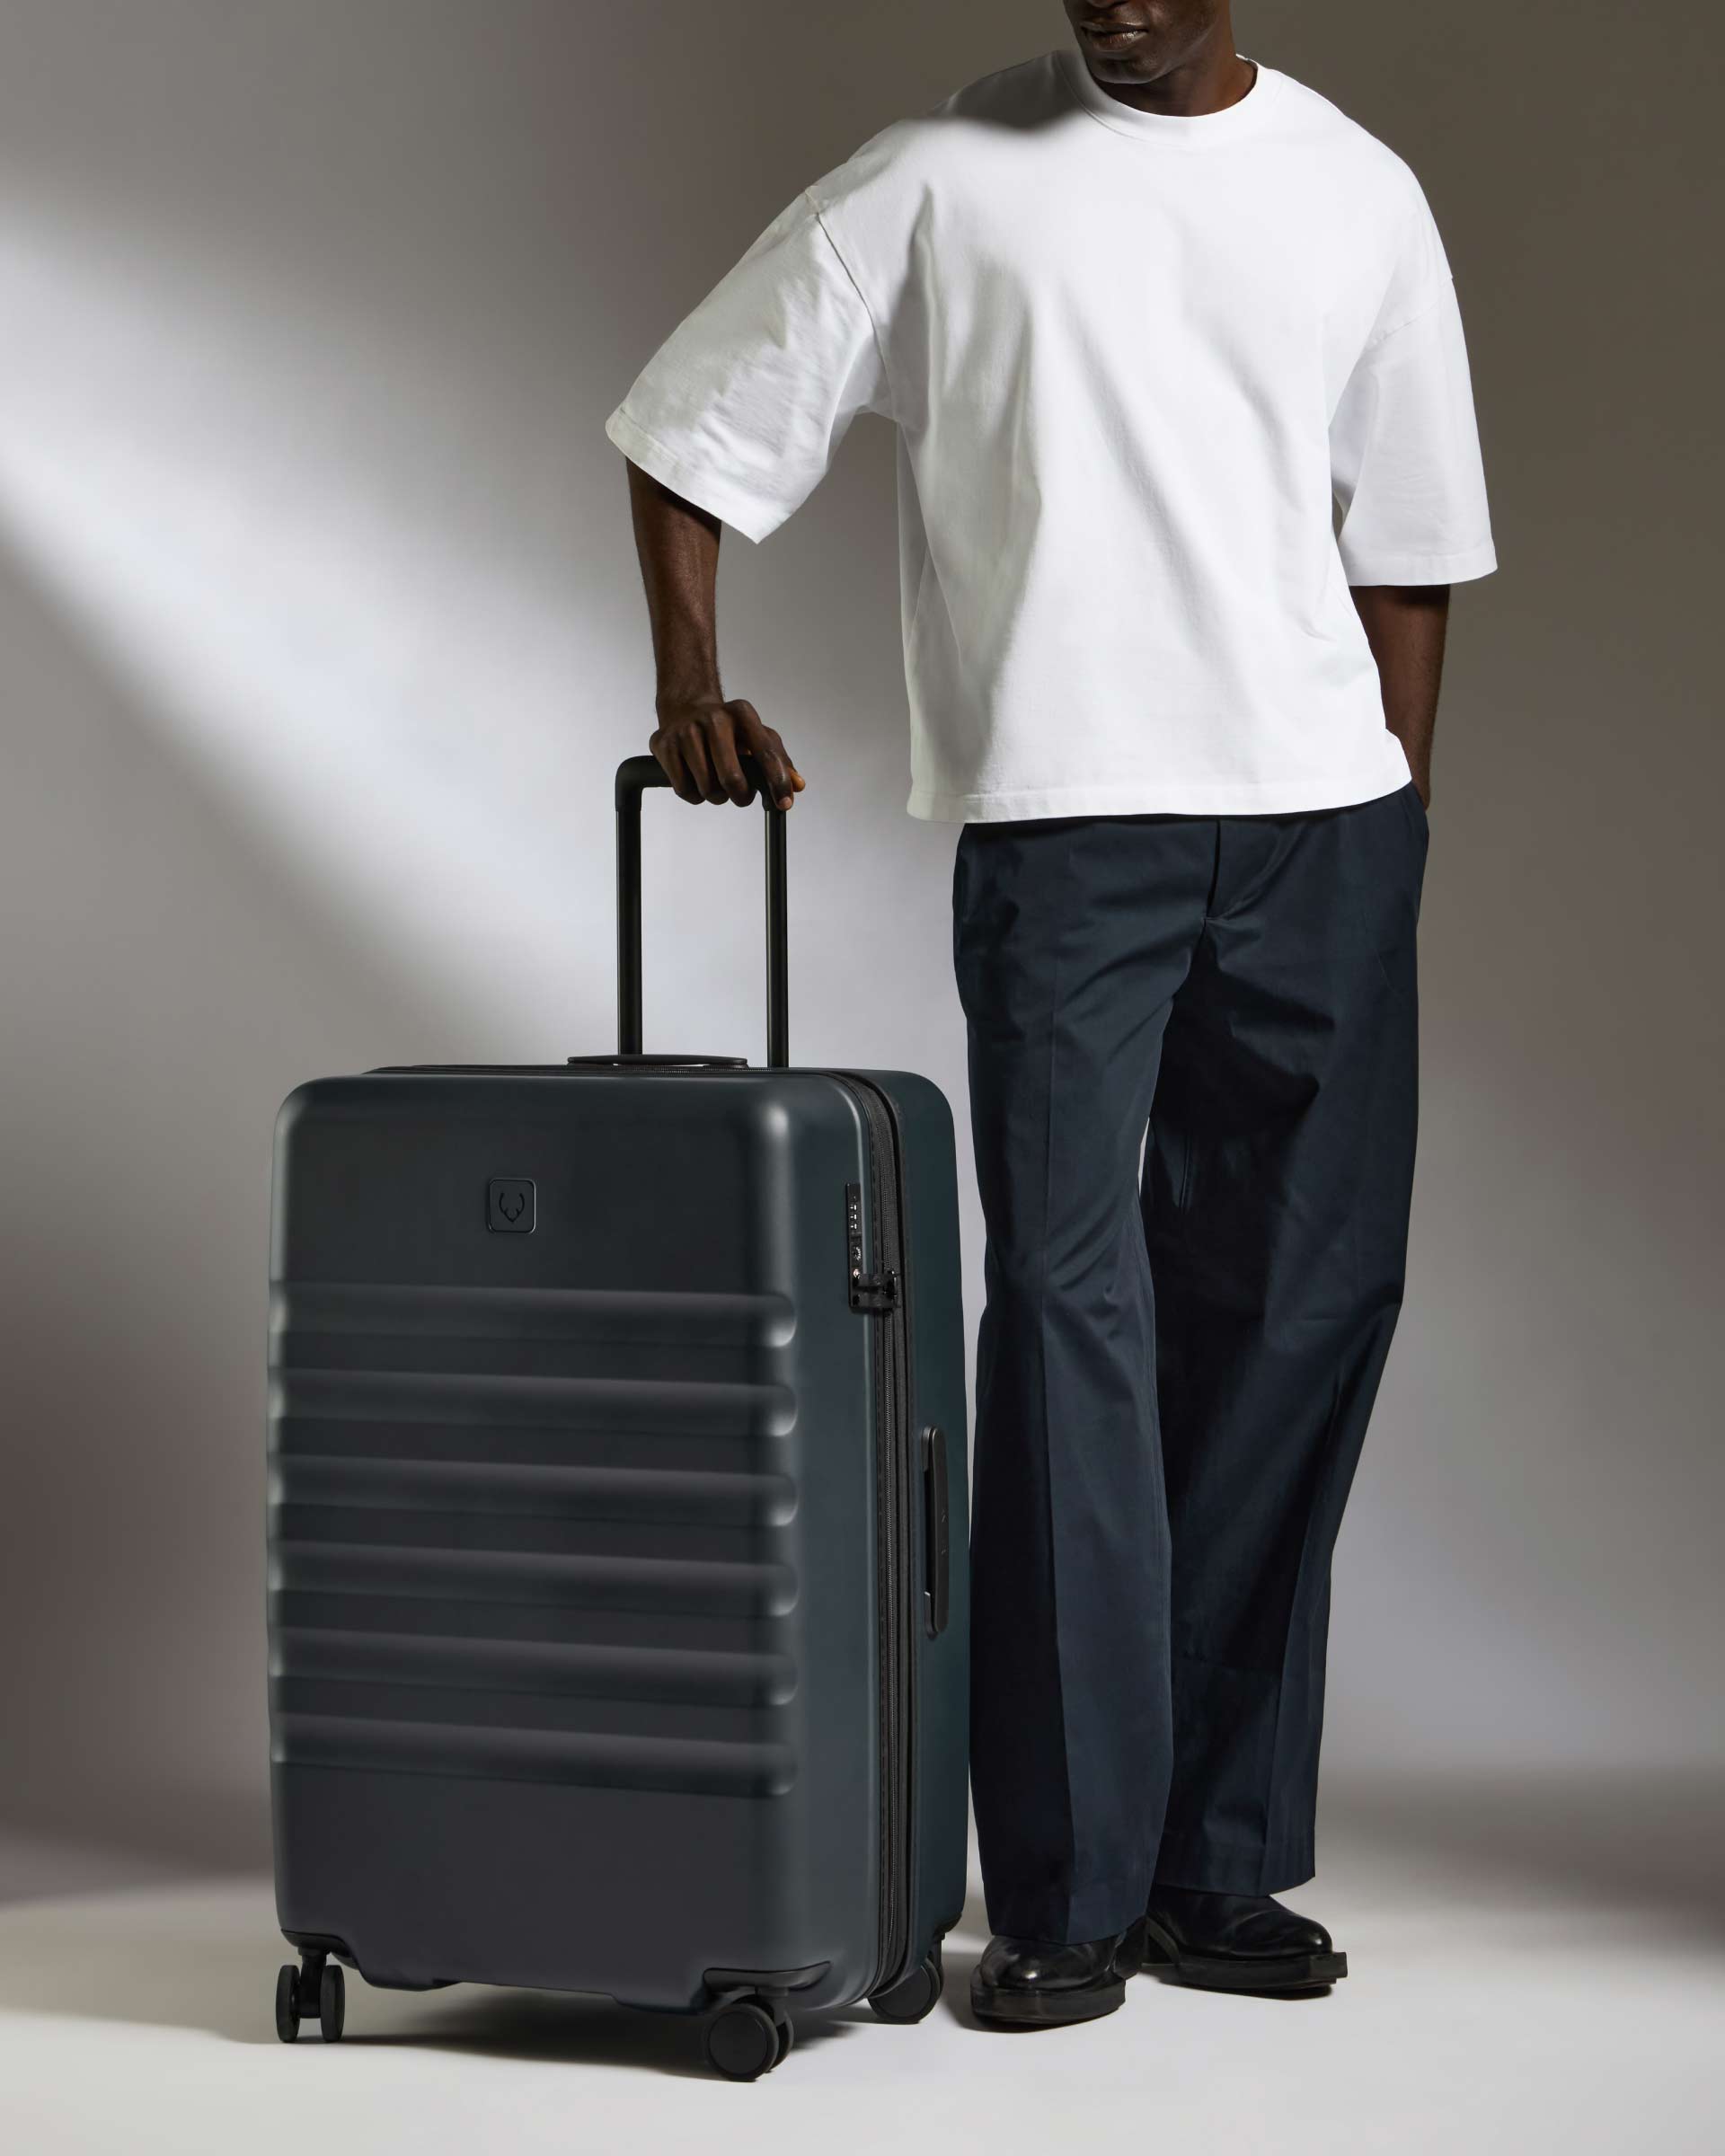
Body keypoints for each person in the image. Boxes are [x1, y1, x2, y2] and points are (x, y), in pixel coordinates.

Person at [605, 0, 1494, 2029]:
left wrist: (1395, 832)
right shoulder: (939, 179)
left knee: (1306, 1312)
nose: (1111, 1)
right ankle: (1074, 1888)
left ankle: (1213, 1862)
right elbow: (690, 426)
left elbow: (1411, 553)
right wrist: (686, 687)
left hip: (1324, 834)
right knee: (1075, 1317)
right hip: (1071, 832)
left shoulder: (1358, 194)